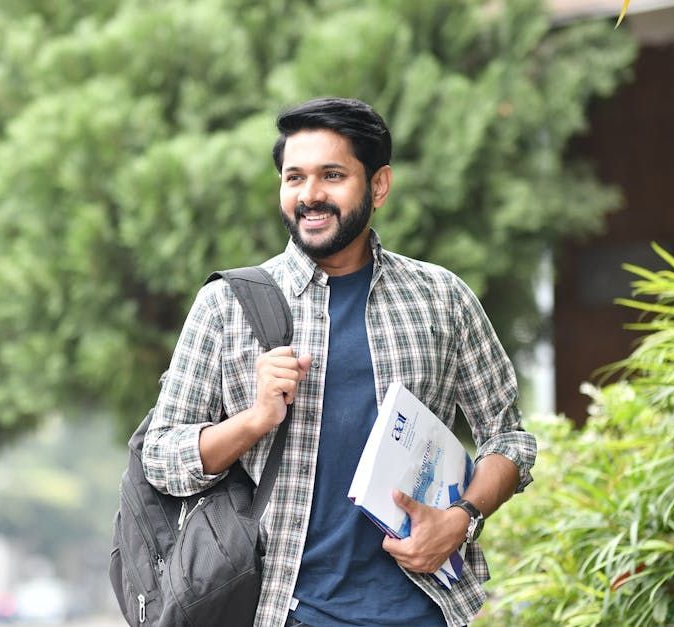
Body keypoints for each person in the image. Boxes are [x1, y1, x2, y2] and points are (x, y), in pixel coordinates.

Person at [142, 97, 537, 627]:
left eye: (332, 175)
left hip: (422, 612)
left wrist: (460, 520)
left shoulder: (441, 298)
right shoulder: (226, 305)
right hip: (281, 611)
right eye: (294, 177)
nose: (310, 195)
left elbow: (509, 438)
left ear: (378, 186)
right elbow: (162, 459)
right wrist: (255, 420)